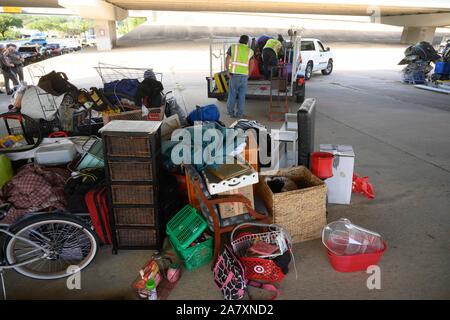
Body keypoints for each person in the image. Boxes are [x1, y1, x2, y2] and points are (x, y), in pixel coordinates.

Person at [225, 35, 254, 118]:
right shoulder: (250, 51)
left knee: (232, 94)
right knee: (242, 96)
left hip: (234, 75)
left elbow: (227, 60)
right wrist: (248, 75)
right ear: (247, 42)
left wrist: (227, 71)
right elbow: (252, 64)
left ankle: (231, 113)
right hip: (244, 76)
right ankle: (240, 114)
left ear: (239, 40)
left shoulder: (233, 47)